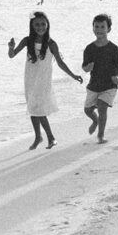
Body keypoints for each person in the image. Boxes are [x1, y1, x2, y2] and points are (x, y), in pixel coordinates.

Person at [8, 11, 83, 150]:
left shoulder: (51, 44)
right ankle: (38, 137)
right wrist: (10, 47)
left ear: (48, 25)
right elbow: (12, 55)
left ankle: (51, 138)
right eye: (37, 24)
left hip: (43, 81)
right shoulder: (27, 40)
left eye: (43, 24)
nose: (40, 27)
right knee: (32, 108)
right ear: (32, 25)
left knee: (40, 110)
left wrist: (73, 75)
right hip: (30, 79)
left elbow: (60, 63)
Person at [82, 13, 118, 144]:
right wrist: (88, 68)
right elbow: (84, 67)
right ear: (93, 28)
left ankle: (100, 136)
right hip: (94, 85)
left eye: (102, 27)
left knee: (102, 106)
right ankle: (95, 120)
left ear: (109, 29)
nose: (99, 29)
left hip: (109, 85)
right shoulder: (89, 49)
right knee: (88, 110)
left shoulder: (113, 48)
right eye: (96, 26)